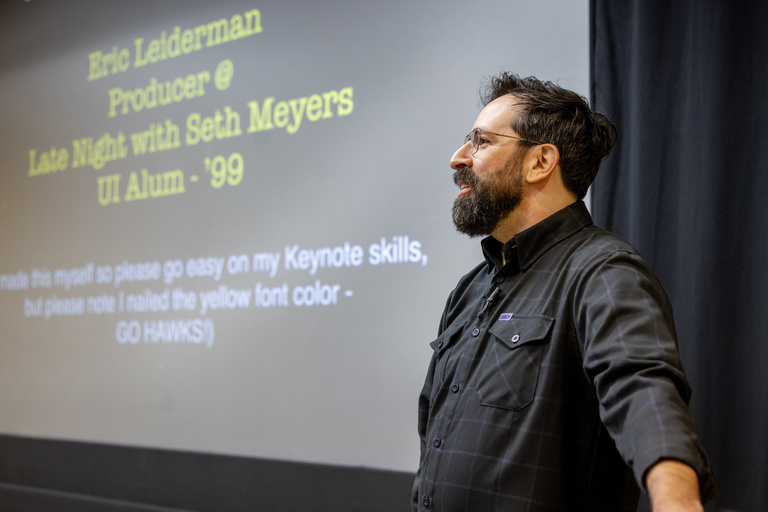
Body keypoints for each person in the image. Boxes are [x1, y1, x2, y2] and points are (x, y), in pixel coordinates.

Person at [413, 73, 717, 511]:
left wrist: (678, 501)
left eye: (480, 142)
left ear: (541, 162)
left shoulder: (603, 271)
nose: (457, 158)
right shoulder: (470, 289)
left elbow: (641, 389)